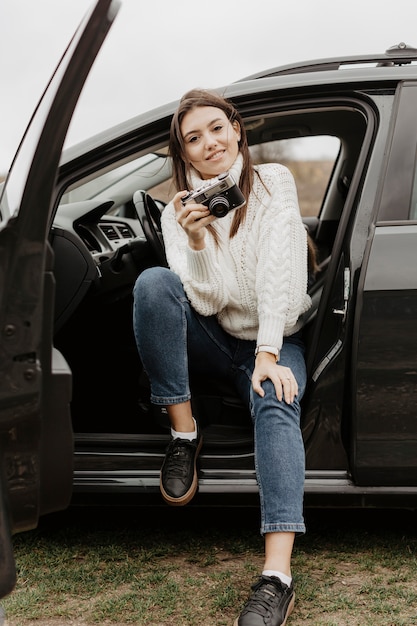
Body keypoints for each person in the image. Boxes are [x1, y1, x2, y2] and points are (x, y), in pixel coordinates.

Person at [133, 88, 312, 626]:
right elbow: (208, 300)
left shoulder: (273, 182)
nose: (208, 143)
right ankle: (184, 434)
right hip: (218, 339)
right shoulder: (178, 214)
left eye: (216, 128)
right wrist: (198, 242)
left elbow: (279, 272)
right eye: (193, 138)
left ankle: (276, 576)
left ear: (236, 128)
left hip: (278, 337)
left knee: (277, 398)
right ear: (183, 154)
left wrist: (268, 353)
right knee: (153, 284)